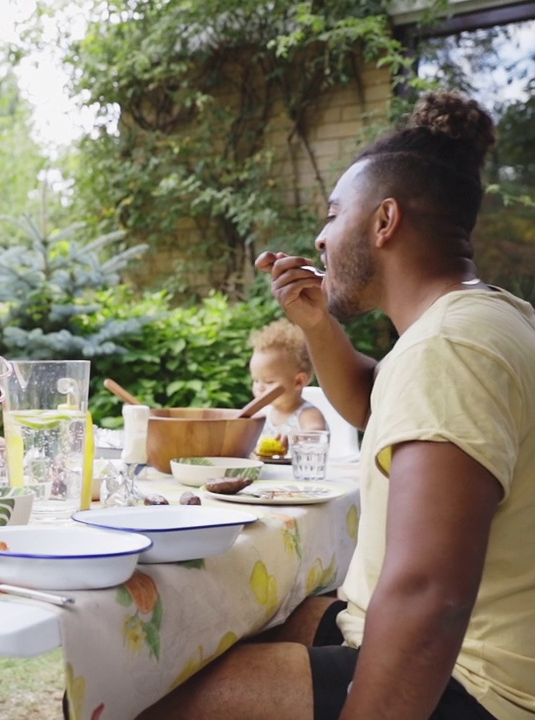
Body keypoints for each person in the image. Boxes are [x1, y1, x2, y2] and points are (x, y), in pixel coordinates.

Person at [140, 92, 535, 720]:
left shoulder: (451, 348)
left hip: (475, 684)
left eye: (332, 215)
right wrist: (317, 325)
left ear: (384, 221)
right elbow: (373, 402)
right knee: (241, 621)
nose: (321, 238)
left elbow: (430, 594)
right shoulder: (475, 319)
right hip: (418, 635)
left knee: (151, 697)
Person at [248, 317, 327, 455]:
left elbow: (316, 434)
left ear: (298, 382)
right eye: (256, 380)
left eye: (269, 382)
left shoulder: (307, 414)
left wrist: (295, 439)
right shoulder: (263, 414)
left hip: (298, 473)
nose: (259, 388)